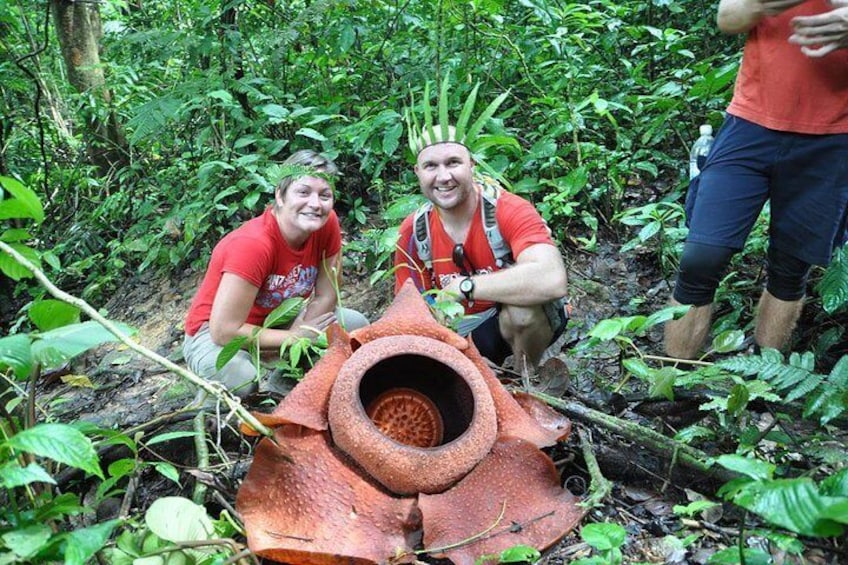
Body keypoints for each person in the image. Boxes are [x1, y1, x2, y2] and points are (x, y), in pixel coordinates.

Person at [664, 0, 848, 359]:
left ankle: (766, 384)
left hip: (832, 138)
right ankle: (672, 380)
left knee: (791, 268)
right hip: (750, 125)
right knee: (701, 258)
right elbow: (728, 17)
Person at [184, 150, 368, 398]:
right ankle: (211, 403)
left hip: (278, 322)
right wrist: (293, 338)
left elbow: (327, 295)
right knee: (241, 380)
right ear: (279, 196)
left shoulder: (326, 224)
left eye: (325, 195)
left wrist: (305, 333)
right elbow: (223, 330)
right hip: (216, 335)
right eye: (303, 192)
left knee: (354, 325)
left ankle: (282, 388)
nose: (315, 204)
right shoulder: (253, 245)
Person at [393, 126, 569, 372]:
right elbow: (409, 309)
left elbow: (551, 278)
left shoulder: (508, 209)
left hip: (508, 320)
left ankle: (525, 382)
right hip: (460, 331)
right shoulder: (414, 230)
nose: (443, 177)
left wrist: (463, 287)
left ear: (472, 165)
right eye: (431, 166)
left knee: (522, 314)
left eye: (453, 163)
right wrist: (457, 352)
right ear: (418, 172)